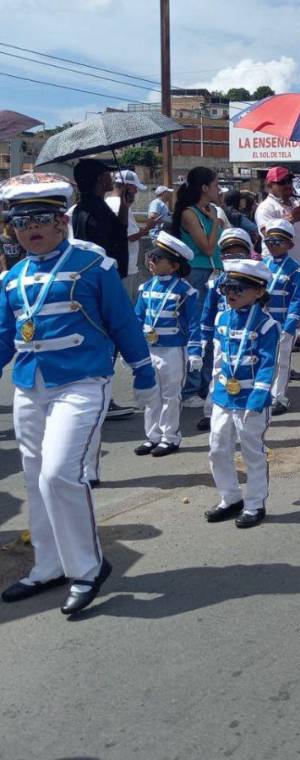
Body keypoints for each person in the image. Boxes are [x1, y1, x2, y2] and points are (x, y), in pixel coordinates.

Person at [0, 174, 157, 614]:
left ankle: (87, 568)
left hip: (83, 381)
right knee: (35, 478)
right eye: (20, 221)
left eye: (42, 218)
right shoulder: (13, 278)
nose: (31, 227)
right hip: (31, 386)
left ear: (62, 221)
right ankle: (48, 565)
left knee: (60, 474)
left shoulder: (95, 266)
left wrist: (143, 371)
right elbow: (3, 336)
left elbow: (123, 321)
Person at [203, 259, 278, 529]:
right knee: (217, 448)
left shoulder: (267, 325)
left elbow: (269, 364)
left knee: (252, 452)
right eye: (227, 288)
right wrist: (213, 392)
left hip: (250, 399)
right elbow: (220, 359)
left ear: (259, 291)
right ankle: (230, 497)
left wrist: (258, 398)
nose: (231, 293)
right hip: (225, 395)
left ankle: (255, 503)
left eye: (239, 288)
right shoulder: (222, 318)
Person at [70, 158, 133, 421]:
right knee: (106, 340)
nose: (112, 178)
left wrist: (125, 207)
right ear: (98, 179)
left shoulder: (91, 207)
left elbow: (117, 231)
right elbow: (104, 246)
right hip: (99, 284)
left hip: (98, 281)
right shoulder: (91, 210)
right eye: (107, 174)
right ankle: (100, 397)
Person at [133, 231, 201, 457]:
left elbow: (193, 324)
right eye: (150, 257)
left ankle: (170, 436)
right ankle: (151, 436)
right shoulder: (146, 288)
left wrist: (194, 351)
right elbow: (137, 319)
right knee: (151, 394)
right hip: (149, 348)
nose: (150, 261)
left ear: (173, 266)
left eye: (157, 258)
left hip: (173, 349)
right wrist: (132, 350)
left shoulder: (185, 290)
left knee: (171, 395)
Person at [255, 166, 300, 343]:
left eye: (289, 181)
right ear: (270, 185)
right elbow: (269, 233)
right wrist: (292, 217)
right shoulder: (266, 208)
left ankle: (288, 361)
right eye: (282, 182)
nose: (287, 185)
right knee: (280, 314)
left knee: (298, 317)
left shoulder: (295, 205)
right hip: (278, 268)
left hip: (298, 268)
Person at [172, 166, 224, 409]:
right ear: (204, 187)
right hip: (197, 272)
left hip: (215, 272)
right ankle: (190, 387)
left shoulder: (210, 210)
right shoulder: (189, 213)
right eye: (215, 185)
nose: (219, 189)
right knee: (197, 329)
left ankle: (204, 384)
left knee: (212, 329)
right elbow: (206, 247)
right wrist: (215, 223)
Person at [194, 227, 255, 431]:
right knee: (216, 371)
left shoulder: (255, 283)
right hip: (221, 335)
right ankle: (211, 411)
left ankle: (243, 410)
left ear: (248, 254)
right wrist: (203, 337)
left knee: (245, 372)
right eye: (228, 253)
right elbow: (207, 312)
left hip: (245, 335)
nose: (232, 257)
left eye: (238, 253)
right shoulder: (216, 283)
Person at [261, 219, 300, 416]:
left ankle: (280, 397)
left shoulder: (296, 269)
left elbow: (296, 300)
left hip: (282, 322)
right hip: (262, 323)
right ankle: (264, 393)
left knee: (282, 360)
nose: (272, 246)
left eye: (278, 242)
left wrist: (290, 326)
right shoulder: (262, 265)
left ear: (290, 245)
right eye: (269, 242)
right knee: (263, 359)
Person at [106, 170, 158, 303]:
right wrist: (148, 228)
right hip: (124, 267)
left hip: (124, 265)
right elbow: (127, 236)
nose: (136, 192)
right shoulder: (118, 206)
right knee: (126, 306)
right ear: (126, 187)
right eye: (135, 188)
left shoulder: (109, 203)